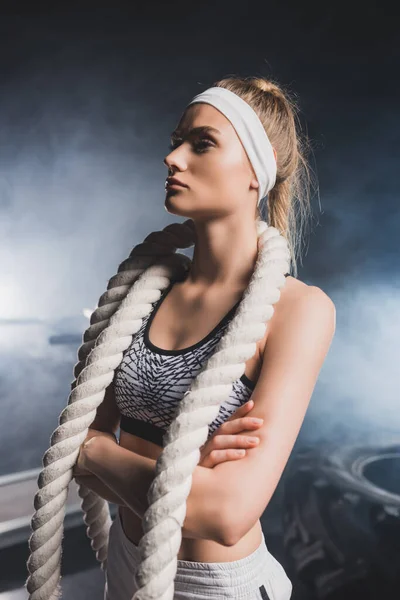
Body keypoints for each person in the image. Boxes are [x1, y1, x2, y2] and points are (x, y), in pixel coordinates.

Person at [71, 75, 336, 600]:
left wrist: (99, 455)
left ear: (255, 175)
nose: (173, 158)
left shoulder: (298, 311)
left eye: (202, 143)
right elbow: (79, 444)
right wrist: (185, 475)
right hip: (126, 567)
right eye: (176, 141)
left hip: (213, 588)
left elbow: (227, 514)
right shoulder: (143, 290)